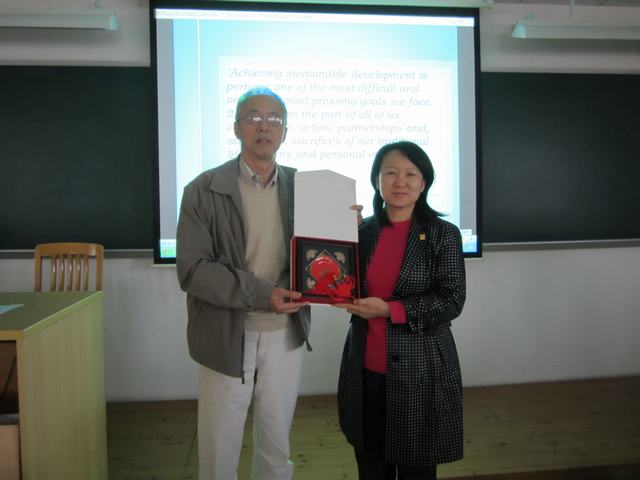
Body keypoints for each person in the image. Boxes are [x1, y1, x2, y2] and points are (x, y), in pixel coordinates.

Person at [176, 87, 310, 480]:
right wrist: (262, 294)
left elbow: (324, 253)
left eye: (274, 119)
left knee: (276, 447)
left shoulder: (304, 187)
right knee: (219, 450)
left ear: (285, 132)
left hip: (285, 334)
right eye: (253, 117)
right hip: (226, 334)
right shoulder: (203, 189)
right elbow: (193, 269)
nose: (264, 126)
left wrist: (345, 227)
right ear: (237, 128)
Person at [335, 141, 466, 480]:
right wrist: (337, 236)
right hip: (364, 367)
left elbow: (452, 299)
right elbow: (340, 282)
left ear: (424, 183)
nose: (400, 182)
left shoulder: (443, 234)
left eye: (411, 174)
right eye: (390, 173)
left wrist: (390, 310)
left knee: (416, 470)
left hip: (420, 372)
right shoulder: (364, 232)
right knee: (370, 467)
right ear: (377, 180)